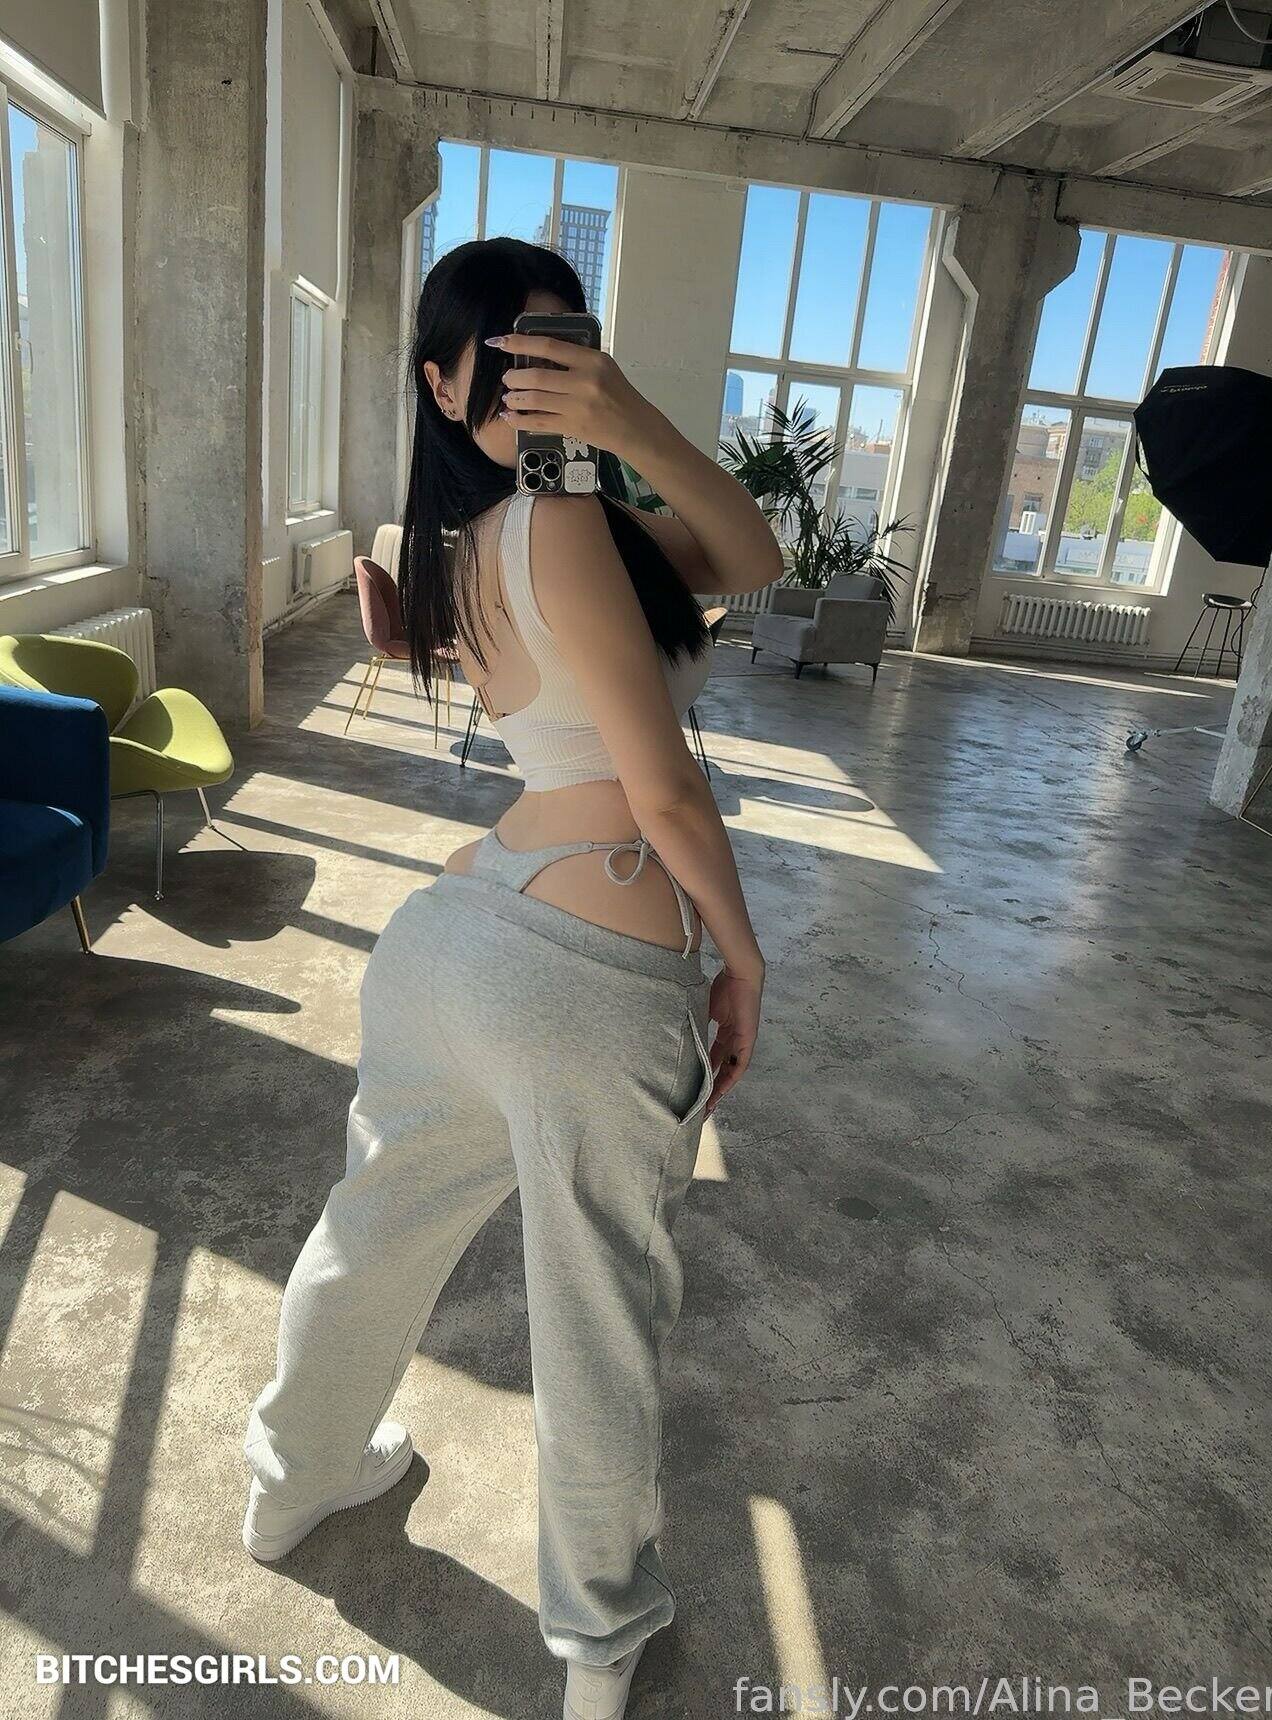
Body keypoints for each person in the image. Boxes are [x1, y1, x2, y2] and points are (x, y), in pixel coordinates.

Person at [242, 236, 780, 1719]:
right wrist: (742, 956)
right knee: (597, 1312)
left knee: (376, 1228)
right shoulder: (560, 530)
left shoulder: (475, 541)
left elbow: (746, 557)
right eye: (511, 346)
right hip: (588, 968)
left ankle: (290, 1482)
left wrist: (626, 422)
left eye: (567, 344)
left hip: (457, 937)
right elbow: (664, 791)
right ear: (441, 378)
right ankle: (598, 1643)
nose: (543, 370)